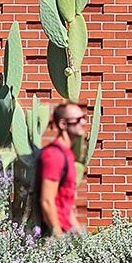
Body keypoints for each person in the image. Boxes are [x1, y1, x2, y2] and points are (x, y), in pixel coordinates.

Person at [36, 102, 89, 239]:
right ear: (63, 124)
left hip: (64, 232)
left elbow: (65, 204)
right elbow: (47, 201)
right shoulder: (54, 156)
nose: (83, 122)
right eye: (77, 119)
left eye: (83, 117)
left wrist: (83, 239)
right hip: (50, 236)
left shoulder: (67, 154)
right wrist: (58, 238)